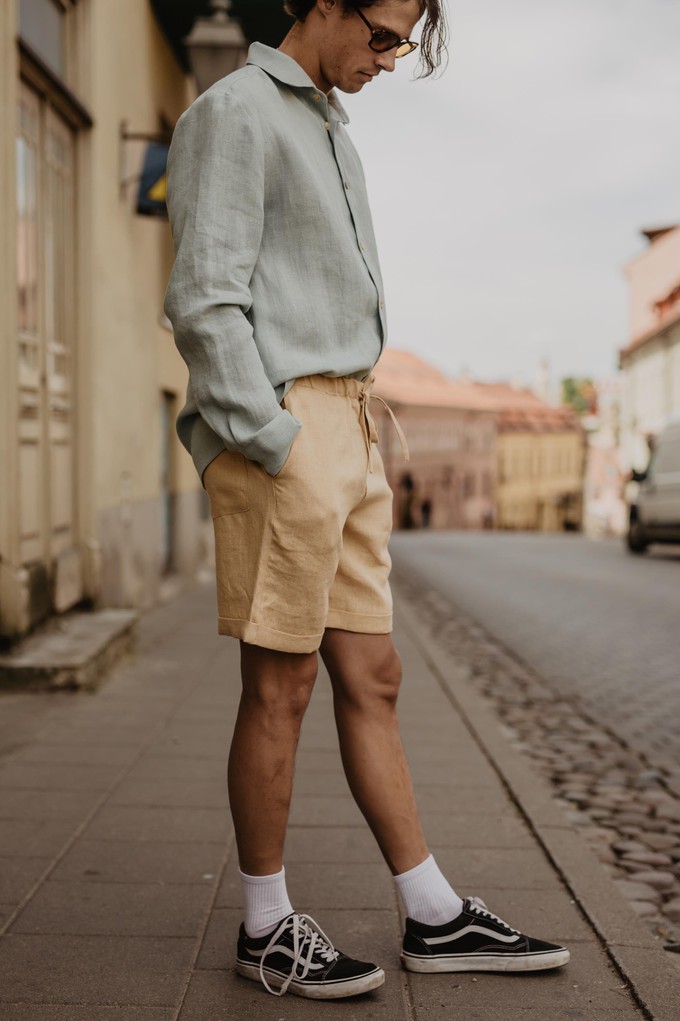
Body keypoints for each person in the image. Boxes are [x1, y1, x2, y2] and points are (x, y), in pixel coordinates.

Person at [164, 0, 569, 1000]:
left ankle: (432, 914)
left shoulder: (329, 131)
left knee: (373, 674)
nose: (389, 60)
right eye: (382, 34)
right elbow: (204, 299)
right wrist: (270, 438)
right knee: (281, 684)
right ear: (320, 5)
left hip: (349, 426)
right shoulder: (237, 112)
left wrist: (341, 433)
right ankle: (264, 926)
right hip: (288, 433)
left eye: (403, 42)